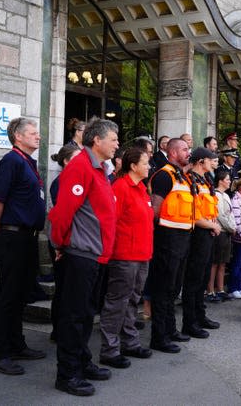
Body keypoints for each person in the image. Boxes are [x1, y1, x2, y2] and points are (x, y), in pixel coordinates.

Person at [49, 118, 119, 396]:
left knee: (87, 315)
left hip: (96, 256)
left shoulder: (100, 169)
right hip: (80, 254)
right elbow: (63, 212)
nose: (117, 144)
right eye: (113, 138)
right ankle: (67, 374)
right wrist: (60, 244)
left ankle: (82, 361)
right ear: (96, 140)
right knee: (73, 316)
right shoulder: (80, 166)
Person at [0, 117, 47, 376]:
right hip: (12, 237)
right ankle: (0, 354)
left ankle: (17, 344)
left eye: (38, 133)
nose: (38, 136)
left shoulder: (28, 163)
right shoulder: (11, 161)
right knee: (8, 297)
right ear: (18, 137)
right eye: (32, 133)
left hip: (28, 237)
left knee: (21, 295)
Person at [99, 147, 154, 370]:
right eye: (145, 163)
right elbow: (110, 221)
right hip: (124, 255)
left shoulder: (141, 187)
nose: (149, 166)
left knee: (132, 299)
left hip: (141, 254)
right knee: (117, 301)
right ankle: (109, 349)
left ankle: (129, 342)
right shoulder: (121, 187)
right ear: (133, 166)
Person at [147, 138, 193, 353]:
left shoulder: (182, 176)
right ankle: (159, 336)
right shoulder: (165, 175)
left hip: (182, 239)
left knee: (173, 288)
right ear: (173, 152)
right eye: (184, 149)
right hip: (167, 240)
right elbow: (155, 209)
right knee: (163, 289)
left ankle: (170, 329)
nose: (188, 152)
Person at [181, 148, 222, 339]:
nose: (214, 163)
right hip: (198, 235)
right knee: (194, 280)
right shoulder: (190, 180)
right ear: (201, 161)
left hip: (208, 233)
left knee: (203, 278)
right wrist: (212, 226)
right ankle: (190, 322)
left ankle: (200, 315)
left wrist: (213, 224)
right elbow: (193, 214)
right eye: (211, 160)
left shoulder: (206, 180)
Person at [48, 144, 81, 342]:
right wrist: (60, 244)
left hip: (71, 240)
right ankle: (58, 329)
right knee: (62, 288)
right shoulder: (61, 182)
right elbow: (63, 214)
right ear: (67, 161)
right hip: (63, 241)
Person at [207, 169, 237, 299]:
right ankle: (210, 290)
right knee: (214, 262)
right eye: (227, 179)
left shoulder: (225, 195)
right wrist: (231, 227)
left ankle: (220, 289)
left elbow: (230, 214)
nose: (229, 181)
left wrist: (233, 226)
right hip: (220, 231)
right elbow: (220, 216)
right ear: (220, 181)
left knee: (223, 262)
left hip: (227, 232)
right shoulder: (217, 195)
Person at [228, 177, 241, 299]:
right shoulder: (235, 199)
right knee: (237, 263)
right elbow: (237, 219)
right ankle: (233, 287)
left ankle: (239, 286)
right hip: (240, 236)